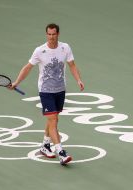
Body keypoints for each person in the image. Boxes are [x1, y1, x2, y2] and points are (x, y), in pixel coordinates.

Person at [9, 23, 84, 165]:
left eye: (53, 34)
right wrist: (16, 82)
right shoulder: (39, 51)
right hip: (46, 91)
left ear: (58, 34)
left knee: (53, 120)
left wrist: (79, 80)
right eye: (49, 34)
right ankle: (61, 152)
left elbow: (72, 65)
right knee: (53, 119)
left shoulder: (65, 47)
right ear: (46, 34)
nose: (51, 37)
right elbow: (28, 67)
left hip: (60, 90)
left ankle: (45, 145)